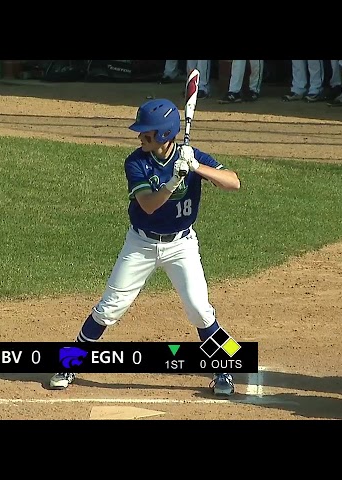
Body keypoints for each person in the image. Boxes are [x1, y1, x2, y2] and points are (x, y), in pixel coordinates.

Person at [48, 98, 242, 396]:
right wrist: (173, 182)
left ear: (164, 135)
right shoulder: (136, 162)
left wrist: (197, 167)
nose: (140, 136)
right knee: (108, 309)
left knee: (201, 312)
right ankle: (69, 362)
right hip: (141, 244)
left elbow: (233, 182)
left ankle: (225, 367)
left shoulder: (191, 157)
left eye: (146, 133)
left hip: (182, 246)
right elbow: (148, 206)